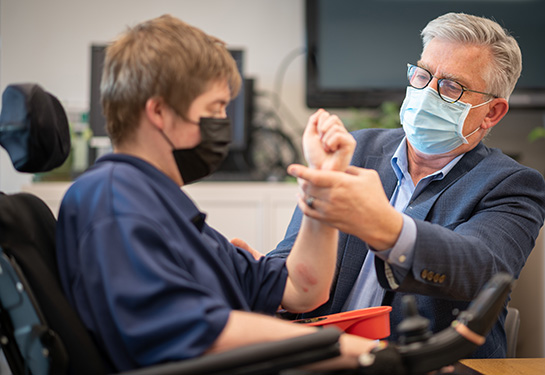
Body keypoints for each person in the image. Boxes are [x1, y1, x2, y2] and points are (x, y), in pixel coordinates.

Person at [55, 14, 378, 373]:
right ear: (159, 111)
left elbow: (302, 289)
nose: (224, 123)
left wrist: (322, 183)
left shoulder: (163, 208)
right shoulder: (114, 202)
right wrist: (352, 350)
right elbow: (198, 333)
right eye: (215, 109)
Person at [268, 12, 545, 359]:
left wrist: (387, 228)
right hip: (325, 359)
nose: (426, 93)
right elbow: (291, 259)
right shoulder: (355, 151)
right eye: (422, 75)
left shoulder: (512, 185)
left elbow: (484, 271)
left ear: (491, 113)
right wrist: (254, 274)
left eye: (450, 86)